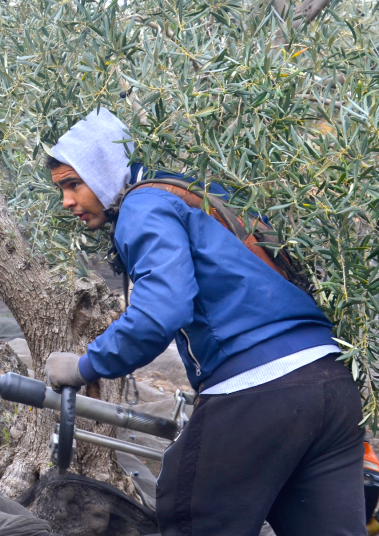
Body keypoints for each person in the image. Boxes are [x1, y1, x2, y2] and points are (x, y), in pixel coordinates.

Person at [42, 108, 365, 536]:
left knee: (189, 514)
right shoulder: (194, 193)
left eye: (73, 184)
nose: (67, 202)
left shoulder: (143, 204)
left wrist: (85, 365)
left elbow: (163, 309)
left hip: (260, 387)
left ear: (104, 170)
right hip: (331, 386)